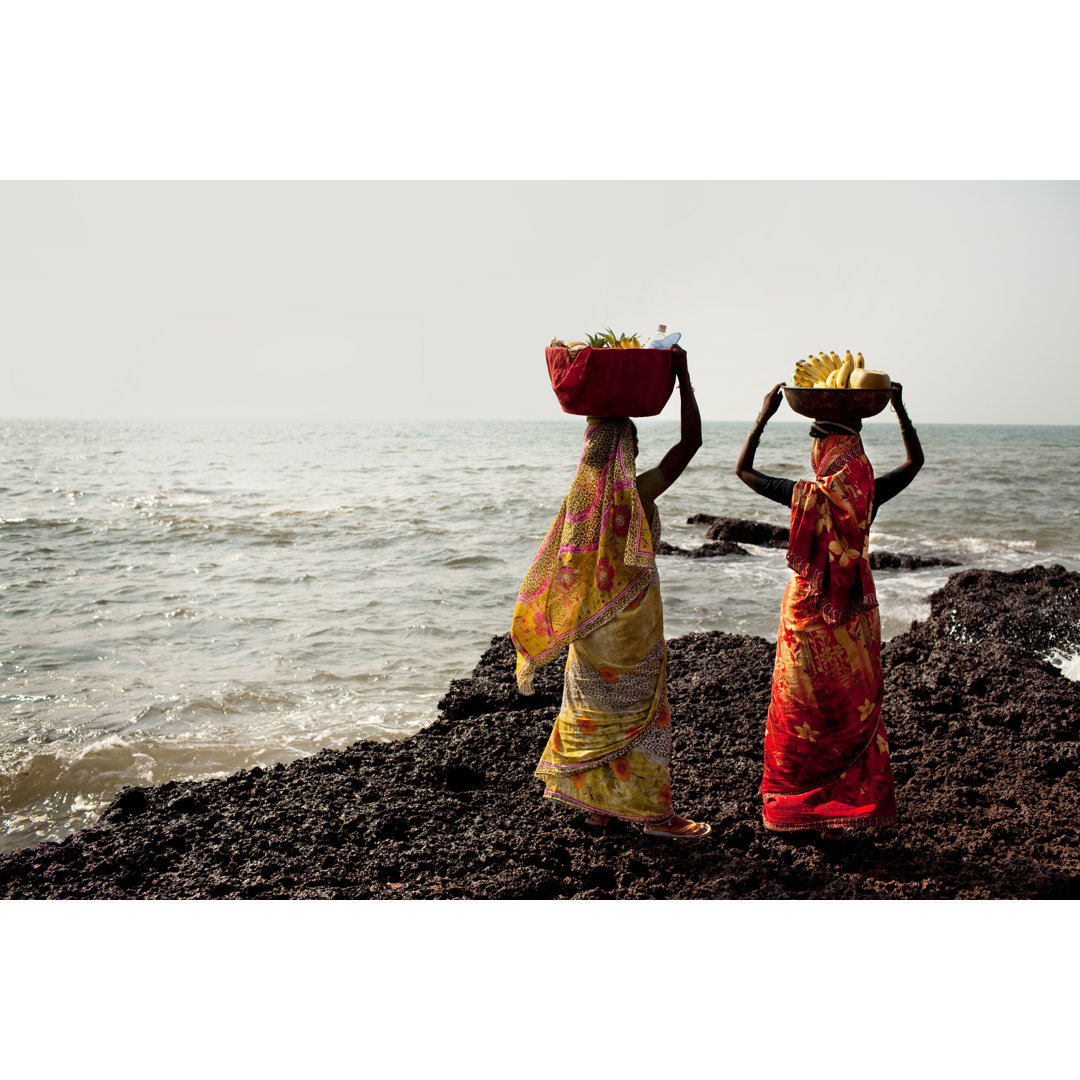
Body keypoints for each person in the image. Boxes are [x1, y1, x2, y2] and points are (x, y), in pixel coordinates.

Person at [511, 347, 710, 839]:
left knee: (593, 711)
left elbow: (557, 573)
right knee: (642, 718)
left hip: (591, 628)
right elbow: (691, 442)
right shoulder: (639, 492)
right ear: (629, 452)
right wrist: (682, 378)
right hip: (635, 628)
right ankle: (654, 816)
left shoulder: (576, 503)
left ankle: (600, 809)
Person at [735, 381, 924, 832]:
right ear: (854, 452)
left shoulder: (805, 497)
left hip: (806, 616)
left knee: (798, 710)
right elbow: (914, 463)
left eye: (817, 443)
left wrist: (764, 416)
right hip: (856, 616)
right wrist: (900, 409)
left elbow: (744, 470)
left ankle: (794, 806)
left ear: (823, 451)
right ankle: (849, 806)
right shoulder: (868, 494)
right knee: (851, 712)